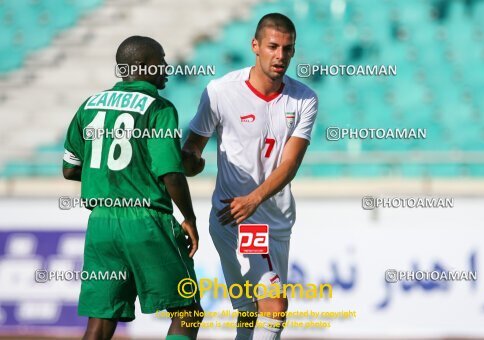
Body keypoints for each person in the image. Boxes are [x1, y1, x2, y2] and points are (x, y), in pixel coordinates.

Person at [182, 13, 318, 340]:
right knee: (273, 305)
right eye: (273, 46)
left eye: (288, 49)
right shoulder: (219, 92)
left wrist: (256, 198)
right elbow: (193, 151)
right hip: (235, 217)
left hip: (274, 217)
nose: (280, 56)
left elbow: (290, 163)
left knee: (250, 311)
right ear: (255, 46)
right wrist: (186, 162)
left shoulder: (304, 99)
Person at [62, 35, 203, 340]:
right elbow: (171, 173)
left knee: (99, 323)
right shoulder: (159, 107)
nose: (166, 67)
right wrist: (189, 218)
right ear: (140, 65)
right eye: (160, 61)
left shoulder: (90, 104)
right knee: (188, 311)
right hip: (145, 223)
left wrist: (113, 179)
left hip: (101, 225)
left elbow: (70, 167)